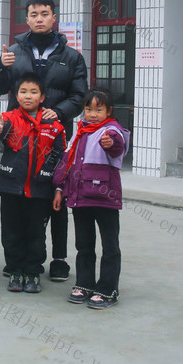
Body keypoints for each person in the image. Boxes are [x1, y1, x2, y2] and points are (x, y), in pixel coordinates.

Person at [0, 0, 87, 282]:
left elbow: (79, 96)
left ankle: (58, 259)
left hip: (54, 138)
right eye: (34, 14)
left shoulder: (72, 57)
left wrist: (57, 112)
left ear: (54, 18)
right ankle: (18, 259)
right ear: (27, 18)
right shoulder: (14, 52)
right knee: (19, 198)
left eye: (45, 13)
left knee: (54, 198)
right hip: (18, 138)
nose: (40, 18)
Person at [53, 88, 129, 309]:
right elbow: (67, 163)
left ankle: (108, 289)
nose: (93, 114)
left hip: (105, 198)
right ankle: (84, 283)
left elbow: (117, 145)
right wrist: (59, 188)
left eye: (98, 109)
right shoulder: (81, 133)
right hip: (80, 198)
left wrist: (111, 143)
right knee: (84, 244)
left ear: (109, 111)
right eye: (88, 109)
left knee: (110, 246)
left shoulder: (112, 130)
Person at [0, 72, 66, 294]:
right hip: (11, 188)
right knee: (11, 232)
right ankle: (15, 270)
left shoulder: (55, 126)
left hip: (40, 191)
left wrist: (58, 189)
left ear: (42, 97)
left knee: (36, 234)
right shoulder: (8, 118)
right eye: (23, 91)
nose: (27, 96)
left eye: (33, 92)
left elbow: (61, 159)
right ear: (16, 95)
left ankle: (33, 271)